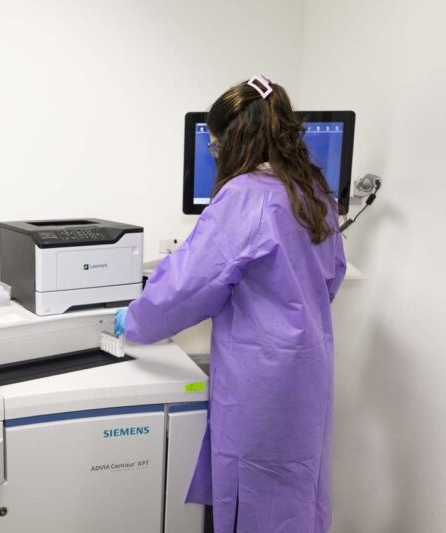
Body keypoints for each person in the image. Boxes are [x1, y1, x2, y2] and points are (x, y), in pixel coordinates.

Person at [114, 75, 347, 532]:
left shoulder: (244, 197)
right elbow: (331, 276)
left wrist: (136, 320)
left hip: (260, 380)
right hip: (308, 372)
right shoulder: (316, 191)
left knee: (254, 488)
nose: (216, 154)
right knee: (297, 484)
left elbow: (187, 286)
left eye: (216, 145)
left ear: (236, 140)